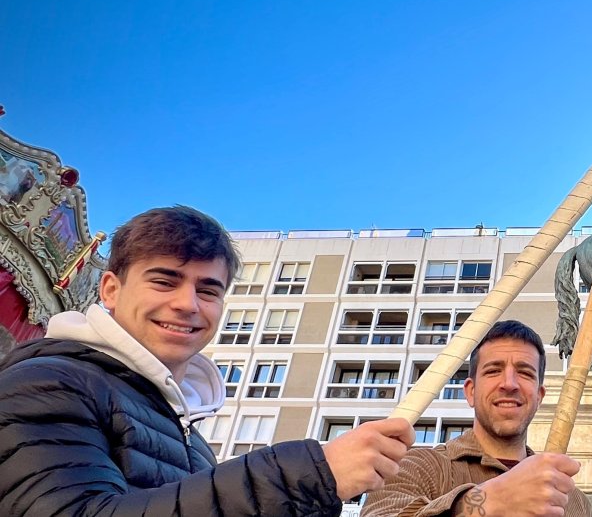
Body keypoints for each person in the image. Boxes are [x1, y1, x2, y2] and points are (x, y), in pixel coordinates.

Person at [0, 205, 415, 516]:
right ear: (110, 290)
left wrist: (315, 496)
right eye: (165, 281)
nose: (187, 304)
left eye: (209, 290)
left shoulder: (190, 436)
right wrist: (309, 474)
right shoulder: (46, 383)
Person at [362, 320, 592, 517]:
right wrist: (493, 501)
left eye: (524, 372)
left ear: (539, 396)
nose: (509, 384)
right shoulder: (417, 468)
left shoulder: (573, 501)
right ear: (470, 391)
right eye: (493, 370)